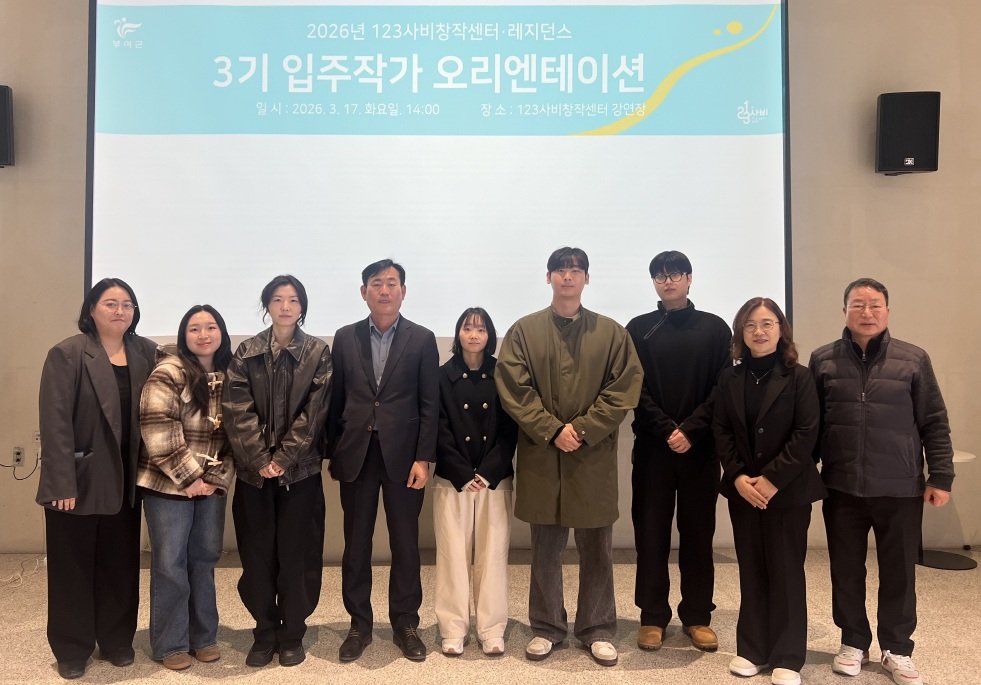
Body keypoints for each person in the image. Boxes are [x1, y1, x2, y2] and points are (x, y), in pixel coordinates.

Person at [495, 247, 642, 667]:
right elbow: (514, 388)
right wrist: (551, 429)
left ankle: (597, 628)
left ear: (586, 279)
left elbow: (623, 388)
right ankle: (546, 627)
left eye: (576, 270)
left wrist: (581, 429)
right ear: (548, 278)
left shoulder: (611, 333)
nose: (567, 276)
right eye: (560, 270)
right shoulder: (524, 331)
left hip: (591, 457)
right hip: (544, 455)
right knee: (545, 548)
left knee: (597, 548)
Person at [809, 278, 954, 685]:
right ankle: (853, 641)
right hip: (842, 488)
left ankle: (898, 648)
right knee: (846, 571)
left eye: (875, 305)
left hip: (900, 488)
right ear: (844, 311)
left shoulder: (913, 359)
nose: (867, 312)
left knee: (899, 574)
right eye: (858, 305)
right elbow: (811, 426)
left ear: (887, 311)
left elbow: (934, 421)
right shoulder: (823, 360)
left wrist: (941, 476)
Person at [36, 277, 159, 680]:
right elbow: (55, 424)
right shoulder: (68, 353)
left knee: (120, 565)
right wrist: (61, 483)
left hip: (127, 481)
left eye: (127, 304)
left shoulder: (146, 352)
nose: (120, 311)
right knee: (72, 568)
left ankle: (117, 640)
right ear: (91, 309)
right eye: (111, 303)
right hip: (80, 479)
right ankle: (72, 648)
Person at [327, 259, 439, 663]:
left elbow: (430, 404)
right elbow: (335, 400)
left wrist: (424, 458)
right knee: (356, 544)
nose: (385, 290)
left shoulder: (422, 338)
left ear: (403, 291)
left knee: (405, 543)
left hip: (404, 458)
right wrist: (334, 451)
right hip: (357, 455)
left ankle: (406, 623)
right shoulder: (345, 337)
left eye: (392, 283)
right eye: (377, 283)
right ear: (364, 292)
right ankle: (359, 624)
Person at [713, 298, 825, 685]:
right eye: (750, 325)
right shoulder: (730, 377)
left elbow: (807, 433)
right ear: (740, 333)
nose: (759, 331)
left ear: (781, 330)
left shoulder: (800, 377)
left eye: (767, 324)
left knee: (786, 570)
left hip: (787, 492)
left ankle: (788, 656)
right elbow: (721, 430)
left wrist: (772, 479)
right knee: (752, 568)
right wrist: (738, 476)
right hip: (744, 492)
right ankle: (753, 649)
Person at [223, 275, 332, 668]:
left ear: (302, 307)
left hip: (300, 474)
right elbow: (236, 409)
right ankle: (264, 631)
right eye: (277, 299)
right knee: (257, 556)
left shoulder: (318, 352)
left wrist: (283, 458)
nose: (286, 306)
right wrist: (259, 459)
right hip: (254, 476)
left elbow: (315, 413)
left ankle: (293, 633)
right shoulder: (246, 351)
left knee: (297, 556)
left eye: (293, 300)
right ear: (267, 305)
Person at [624, 250, 730, 652]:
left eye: (675, 274)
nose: (667, 281)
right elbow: (633, 387)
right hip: (653, 449)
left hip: (700, 451)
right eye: (660, 276)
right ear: (654, 282)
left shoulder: (715, 329)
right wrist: (668, 429)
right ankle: (652, 616)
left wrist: (692, 429)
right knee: (650, 535)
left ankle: (697, 616)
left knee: (698, 535)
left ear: (689, 278)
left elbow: (723, 386)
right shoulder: (639, 329)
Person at [138, 305, 236, 671]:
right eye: (195, 328)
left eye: (211, 327)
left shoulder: (231, 374)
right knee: (170, 562)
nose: (204, 335)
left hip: (210, 486)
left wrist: (214, 479)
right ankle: (171, 644)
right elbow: (157, 427)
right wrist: (190, 477)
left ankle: (204, 637)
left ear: (222, 332)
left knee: (205, 558)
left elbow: (236, 436)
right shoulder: (168, 371)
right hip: (167, 484)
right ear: (184, 335)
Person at [433, 307, 518, 657]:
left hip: (493, 479)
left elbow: (511, 429)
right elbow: (437, 428)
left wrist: (486, 473)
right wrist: (463, 474)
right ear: (457, 333)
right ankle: (453, 629)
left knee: (493, 555)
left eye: (481, 329)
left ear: (489, 336)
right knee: (451, 555)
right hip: (452, 479)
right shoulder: (441, 376)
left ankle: (491, 628)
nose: (473, 334)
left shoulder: (503, 375)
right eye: (467, 328)